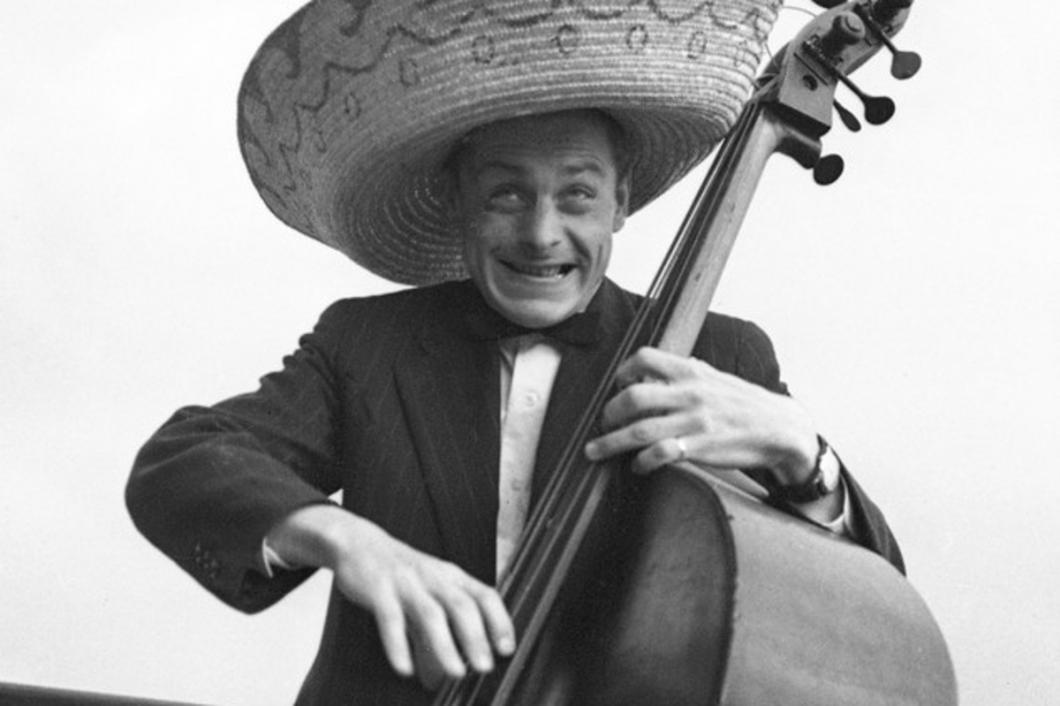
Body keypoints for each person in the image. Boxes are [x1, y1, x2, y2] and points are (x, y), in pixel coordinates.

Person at [126, 2, 903, 704]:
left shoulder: (722, 354)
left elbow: (865, 606)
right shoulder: (368, 344)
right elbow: (182, 462)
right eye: (506, 194)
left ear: (621, 202)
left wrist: (806, 456)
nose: (539, 233)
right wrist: (346, 541)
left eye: (576, 195)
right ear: (458, 199)